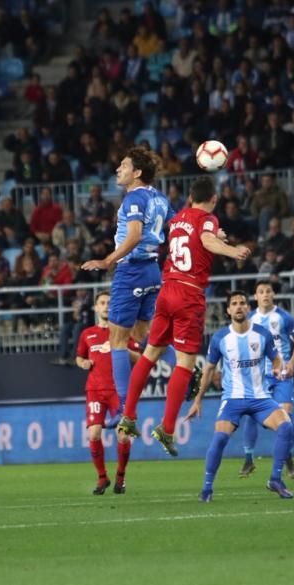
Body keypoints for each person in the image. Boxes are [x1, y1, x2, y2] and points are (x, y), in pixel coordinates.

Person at [117, 176, 251, 455]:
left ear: (190, 197)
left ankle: (128, 416)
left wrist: (216, 237)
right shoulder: (208, 218)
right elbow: (205, 239)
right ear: (214, 200)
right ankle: (166, 429)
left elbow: (194, 237)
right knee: (185, 363)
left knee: (151, 353)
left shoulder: (178, 218)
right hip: (189, 294)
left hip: (167, 290)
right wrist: (231, 250)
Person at [81, 149, 174, 407]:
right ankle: (185, 372)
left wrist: (106, 260)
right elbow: (177, 226)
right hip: (152, 271)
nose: (118, 169)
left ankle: (123, 409)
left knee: (117, 341)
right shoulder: (159, 198)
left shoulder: (134, 199)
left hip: (131, 271)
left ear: (137, 173)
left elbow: (133, 236)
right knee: (145, 338)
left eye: (123, 165)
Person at [186, 291, 294, 502]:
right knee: (219, 439)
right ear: (228, 310)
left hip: (260, 397)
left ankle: (275, 479)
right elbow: (208, 370)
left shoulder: (262, 334)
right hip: (232, 399)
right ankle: (207, 489)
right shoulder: (220, 338)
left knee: (286, 426)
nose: (238, 307)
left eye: (242, 303)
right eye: (234, 303)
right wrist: (198, 400)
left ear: (247, 307)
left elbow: (276, 359)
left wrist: (277, 368)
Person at [238, 280, 294, 479]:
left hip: (282, 374)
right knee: (251, 414)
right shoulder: (249, 319)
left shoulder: (284, 317)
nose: (265, 294)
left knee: (286, 415)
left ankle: (288, 456)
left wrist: (291, 363)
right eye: (261, 292)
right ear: (256, 297)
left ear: (273, 294)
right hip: (258, 375)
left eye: (268, 291)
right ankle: (249, 459)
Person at [75, 291, 135, 495]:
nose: (106, 306)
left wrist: (125, 351)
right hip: (95, 390)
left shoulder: (123, 331)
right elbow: (79, 357)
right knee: (93, 433)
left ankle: (121, 476)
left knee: (123, 436)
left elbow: (139, 357)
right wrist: (83, 363)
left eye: (109, 302)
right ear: (96, 307)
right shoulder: (87, 334)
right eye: (102, 303)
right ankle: (102, 477)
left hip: (118, 391)